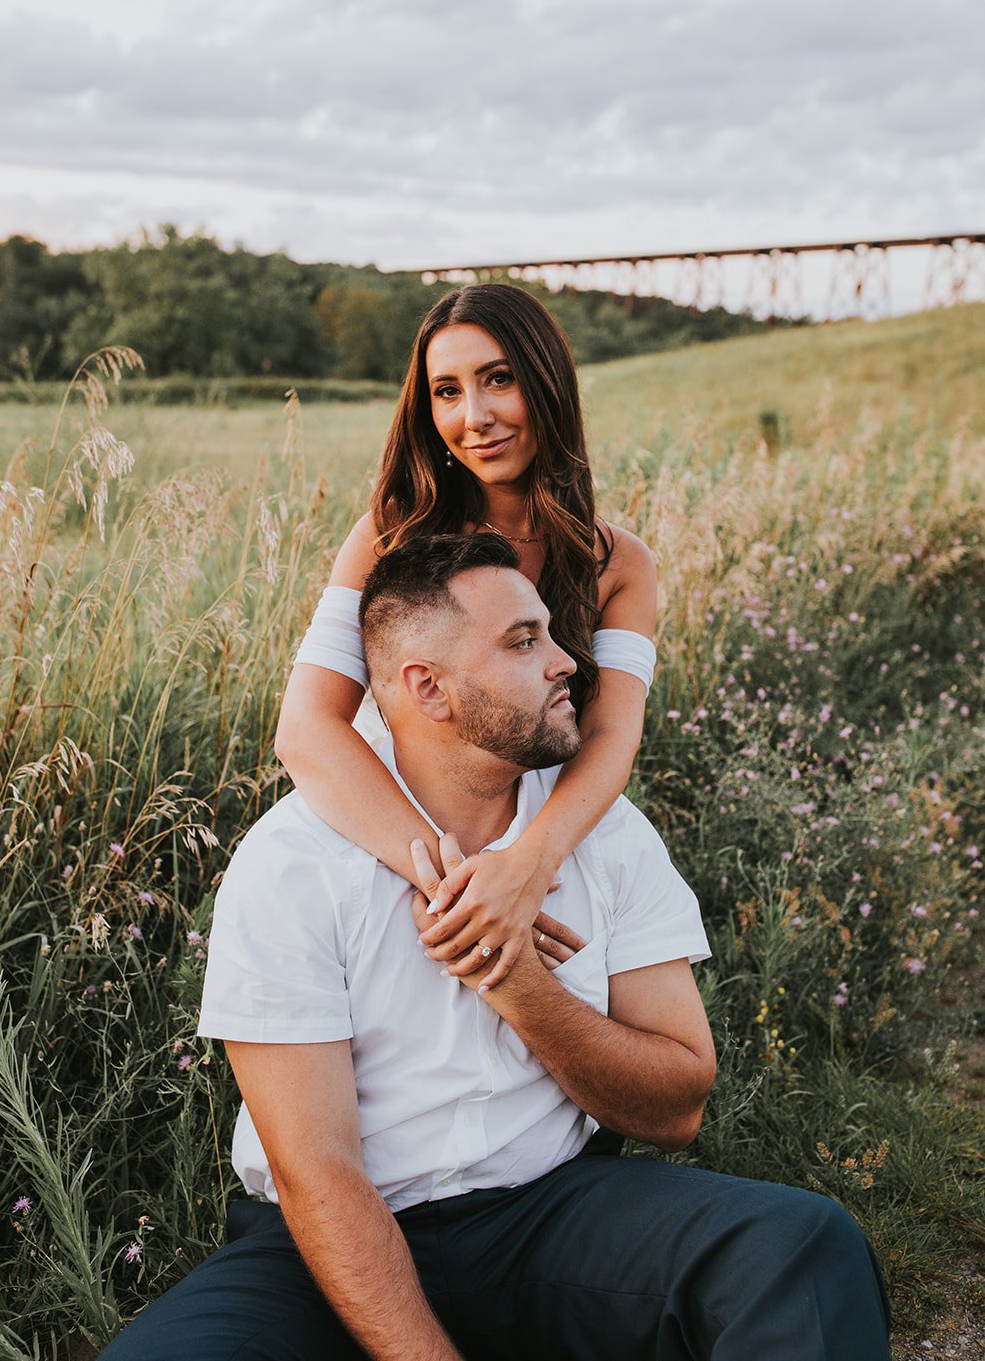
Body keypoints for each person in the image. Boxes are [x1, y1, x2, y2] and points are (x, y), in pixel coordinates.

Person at [100, 534, 891, 1361]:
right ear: (428, 688)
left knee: (798, 1248)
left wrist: (517, 982)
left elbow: (676, 1106)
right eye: (523, 641)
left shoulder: (604, 835)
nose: (568, 666)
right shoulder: (293, 861)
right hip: (322, 1246)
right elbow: (316, 1172)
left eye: (550, 633)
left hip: (546, 1213)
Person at [275, 282, 658, 989]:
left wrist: (525, 866)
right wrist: (460, 884)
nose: (473, 417)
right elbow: (303, 728)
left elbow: (612, 737)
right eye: (445, 391)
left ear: (546, 385)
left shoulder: (619, 563)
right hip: (391, 828)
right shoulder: (388, 534)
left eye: (498, 380)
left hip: (546, 838)